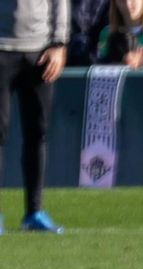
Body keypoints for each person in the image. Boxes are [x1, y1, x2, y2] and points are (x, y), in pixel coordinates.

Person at [0, 0, 68, 235]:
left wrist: (59, 43)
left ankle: (34, 212)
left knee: (37, 133)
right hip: (2, 47)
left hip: (39, 50)